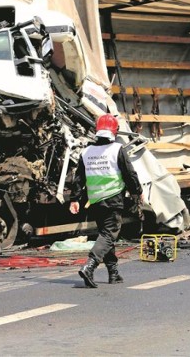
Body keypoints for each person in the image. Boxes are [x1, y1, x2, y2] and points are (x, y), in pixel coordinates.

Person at [69, 114, 142, 288]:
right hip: (113, 199)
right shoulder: (117, 149)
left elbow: (78, 178)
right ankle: (90, 265)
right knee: (109, 235)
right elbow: (129, 174)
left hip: (95, 201)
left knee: (105, 235)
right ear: (114, 131)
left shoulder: (86, 152)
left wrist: (75, 199)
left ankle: (113, 273)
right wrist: (137, 192)